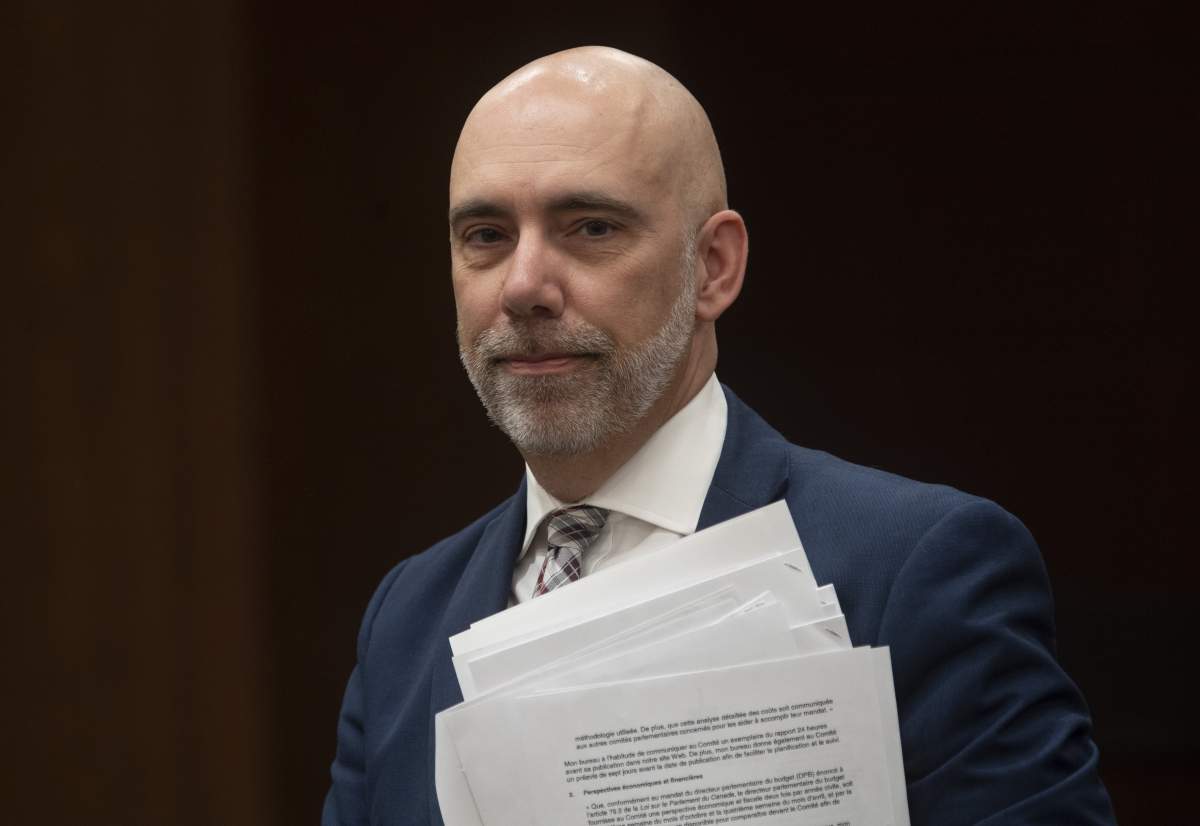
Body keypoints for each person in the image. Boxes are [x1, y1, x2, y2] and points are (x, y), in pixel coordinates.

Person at [323, 46, 1116, 826]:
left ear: (713, 267)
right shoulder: (406, 617)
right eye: (487, 236)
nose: (525, 285)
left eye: (591, 227)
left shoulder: (919, 568)